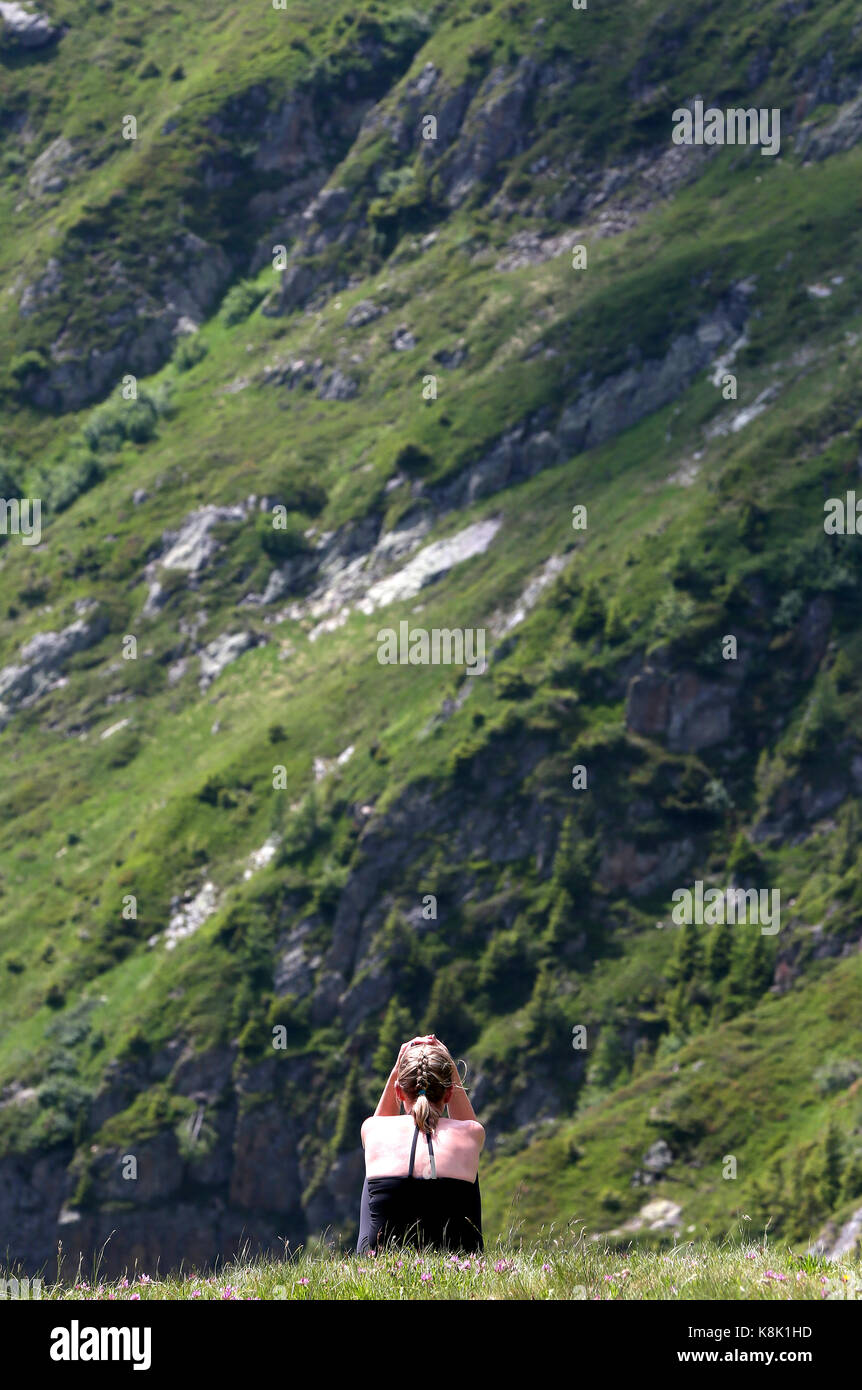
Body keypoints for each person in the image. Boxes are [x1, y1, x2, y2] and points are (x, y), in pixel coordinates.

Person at [356, 1033, 485, 1254]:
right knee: (467, 1163)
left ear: (399, 1091)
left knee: (374, 1170)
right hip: (459, 1266)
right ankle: (463, 1253)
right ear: (449, 1092)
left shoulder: (373, 1129)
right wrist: (450, 1065)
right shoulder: (472, 1132)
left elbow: (380, 1123)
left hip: (382, 1266)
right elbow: (466, 1123)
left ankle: (374, 1255)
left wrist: (397, 1069)